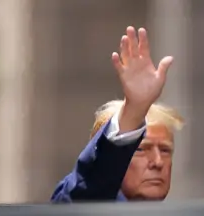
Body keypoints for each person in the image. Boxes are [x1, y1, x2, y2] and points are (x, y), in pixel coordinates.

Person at [51, 26, 184, 203]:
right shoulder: (86, 209)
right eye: (141, 149)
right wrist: (134, 111)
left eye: (165, 150)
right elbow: (86, 188)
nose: (158, 162)